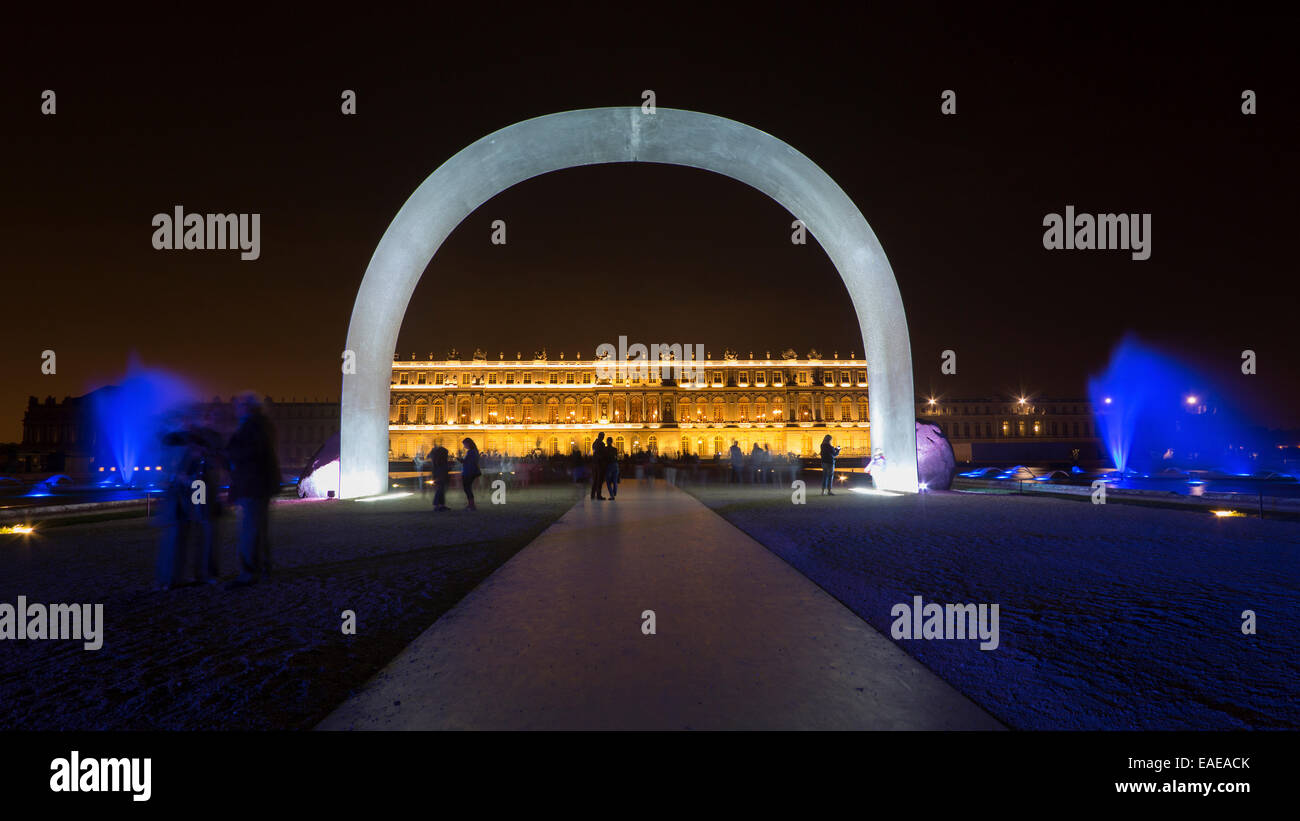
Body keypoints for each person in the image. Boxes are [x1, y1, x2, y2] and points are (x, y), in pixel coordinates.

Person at [226, 394, 280, 588]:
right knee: (259, 529)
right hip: (260, 484)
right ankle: (265, 567)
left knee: (249, 530)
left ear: (247, 407)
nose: (235, 409)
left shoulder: (252, 425)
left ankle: (249, 572)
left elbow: (251, 452)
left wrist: (229, 453)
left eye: (239, 405)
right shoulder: (262, 424)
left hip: (252, 484)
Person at [460, 438, 481, 510]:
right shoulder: (474, 451)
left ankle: (471, 505)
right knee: (468, 488)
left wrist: (460, 460)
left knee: (467, 489)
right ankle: (471, 504)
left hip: (468, 472)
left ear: (469, 443)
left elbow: (467, 461)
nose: (464, 446)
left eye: (465, 444)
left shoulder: (471, 452)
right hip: (471, 472)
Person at [430, 443, 450, 511]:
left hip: (440, 475)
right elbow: (442, 469)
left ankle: (441, 505)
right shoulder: (441, 461)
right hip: (441, 476)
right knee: (440, 490)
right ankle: (436, 505)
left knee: (441, 490)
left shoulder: (437, 460)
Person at [591, 432, 607, 500]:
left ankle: (592, 495)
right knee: (599, 480)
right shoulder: (601, 444)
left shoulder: (594, 443)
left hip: (594, 463)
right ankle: (598, 495)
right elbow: (603, 454)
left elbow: (595, 452)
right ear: (601, 436)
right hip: (600, 464)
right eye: (603, 436)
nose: (603, 437)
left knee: (595, 479)